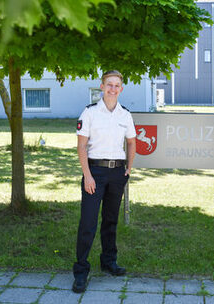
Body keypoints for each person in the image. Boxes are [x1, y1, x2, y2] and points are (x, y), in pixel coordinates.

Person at [72, 70, 136, 293]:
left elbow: (131, 142)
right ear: (102, 86)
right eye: (109, 84)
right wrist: (87, 175)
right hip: (95, 173)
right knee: (88, 223)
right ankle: (81, 271)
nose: (113, 89)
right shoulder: (89, 113)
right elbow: (81, 146)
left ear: (121, 89)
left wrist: (128, 167)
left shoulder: (125, 115)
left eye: (117, 85)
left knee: (110, 221)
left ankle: (109, 262)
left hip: (117, 174)